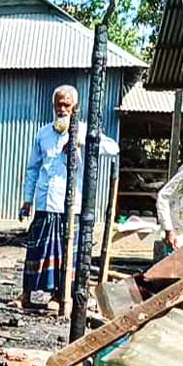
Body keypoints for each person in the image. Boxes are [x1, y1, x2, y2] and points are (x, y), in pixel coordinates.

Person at [18, 85, 117, 311]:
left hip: (72, 205)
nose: (62, 109)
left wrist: (85, 143)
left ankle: (58, 296)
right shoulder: (43, 134)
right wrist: (27, 199)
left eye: (67, 105)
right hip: (45, 202)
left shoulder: (84, 131)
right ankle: (26, 294)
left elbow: (113, 148)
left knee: (66, 254)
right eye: (59, 105)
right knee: (37, 250)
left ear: (75, 107)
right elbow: (32, 169)